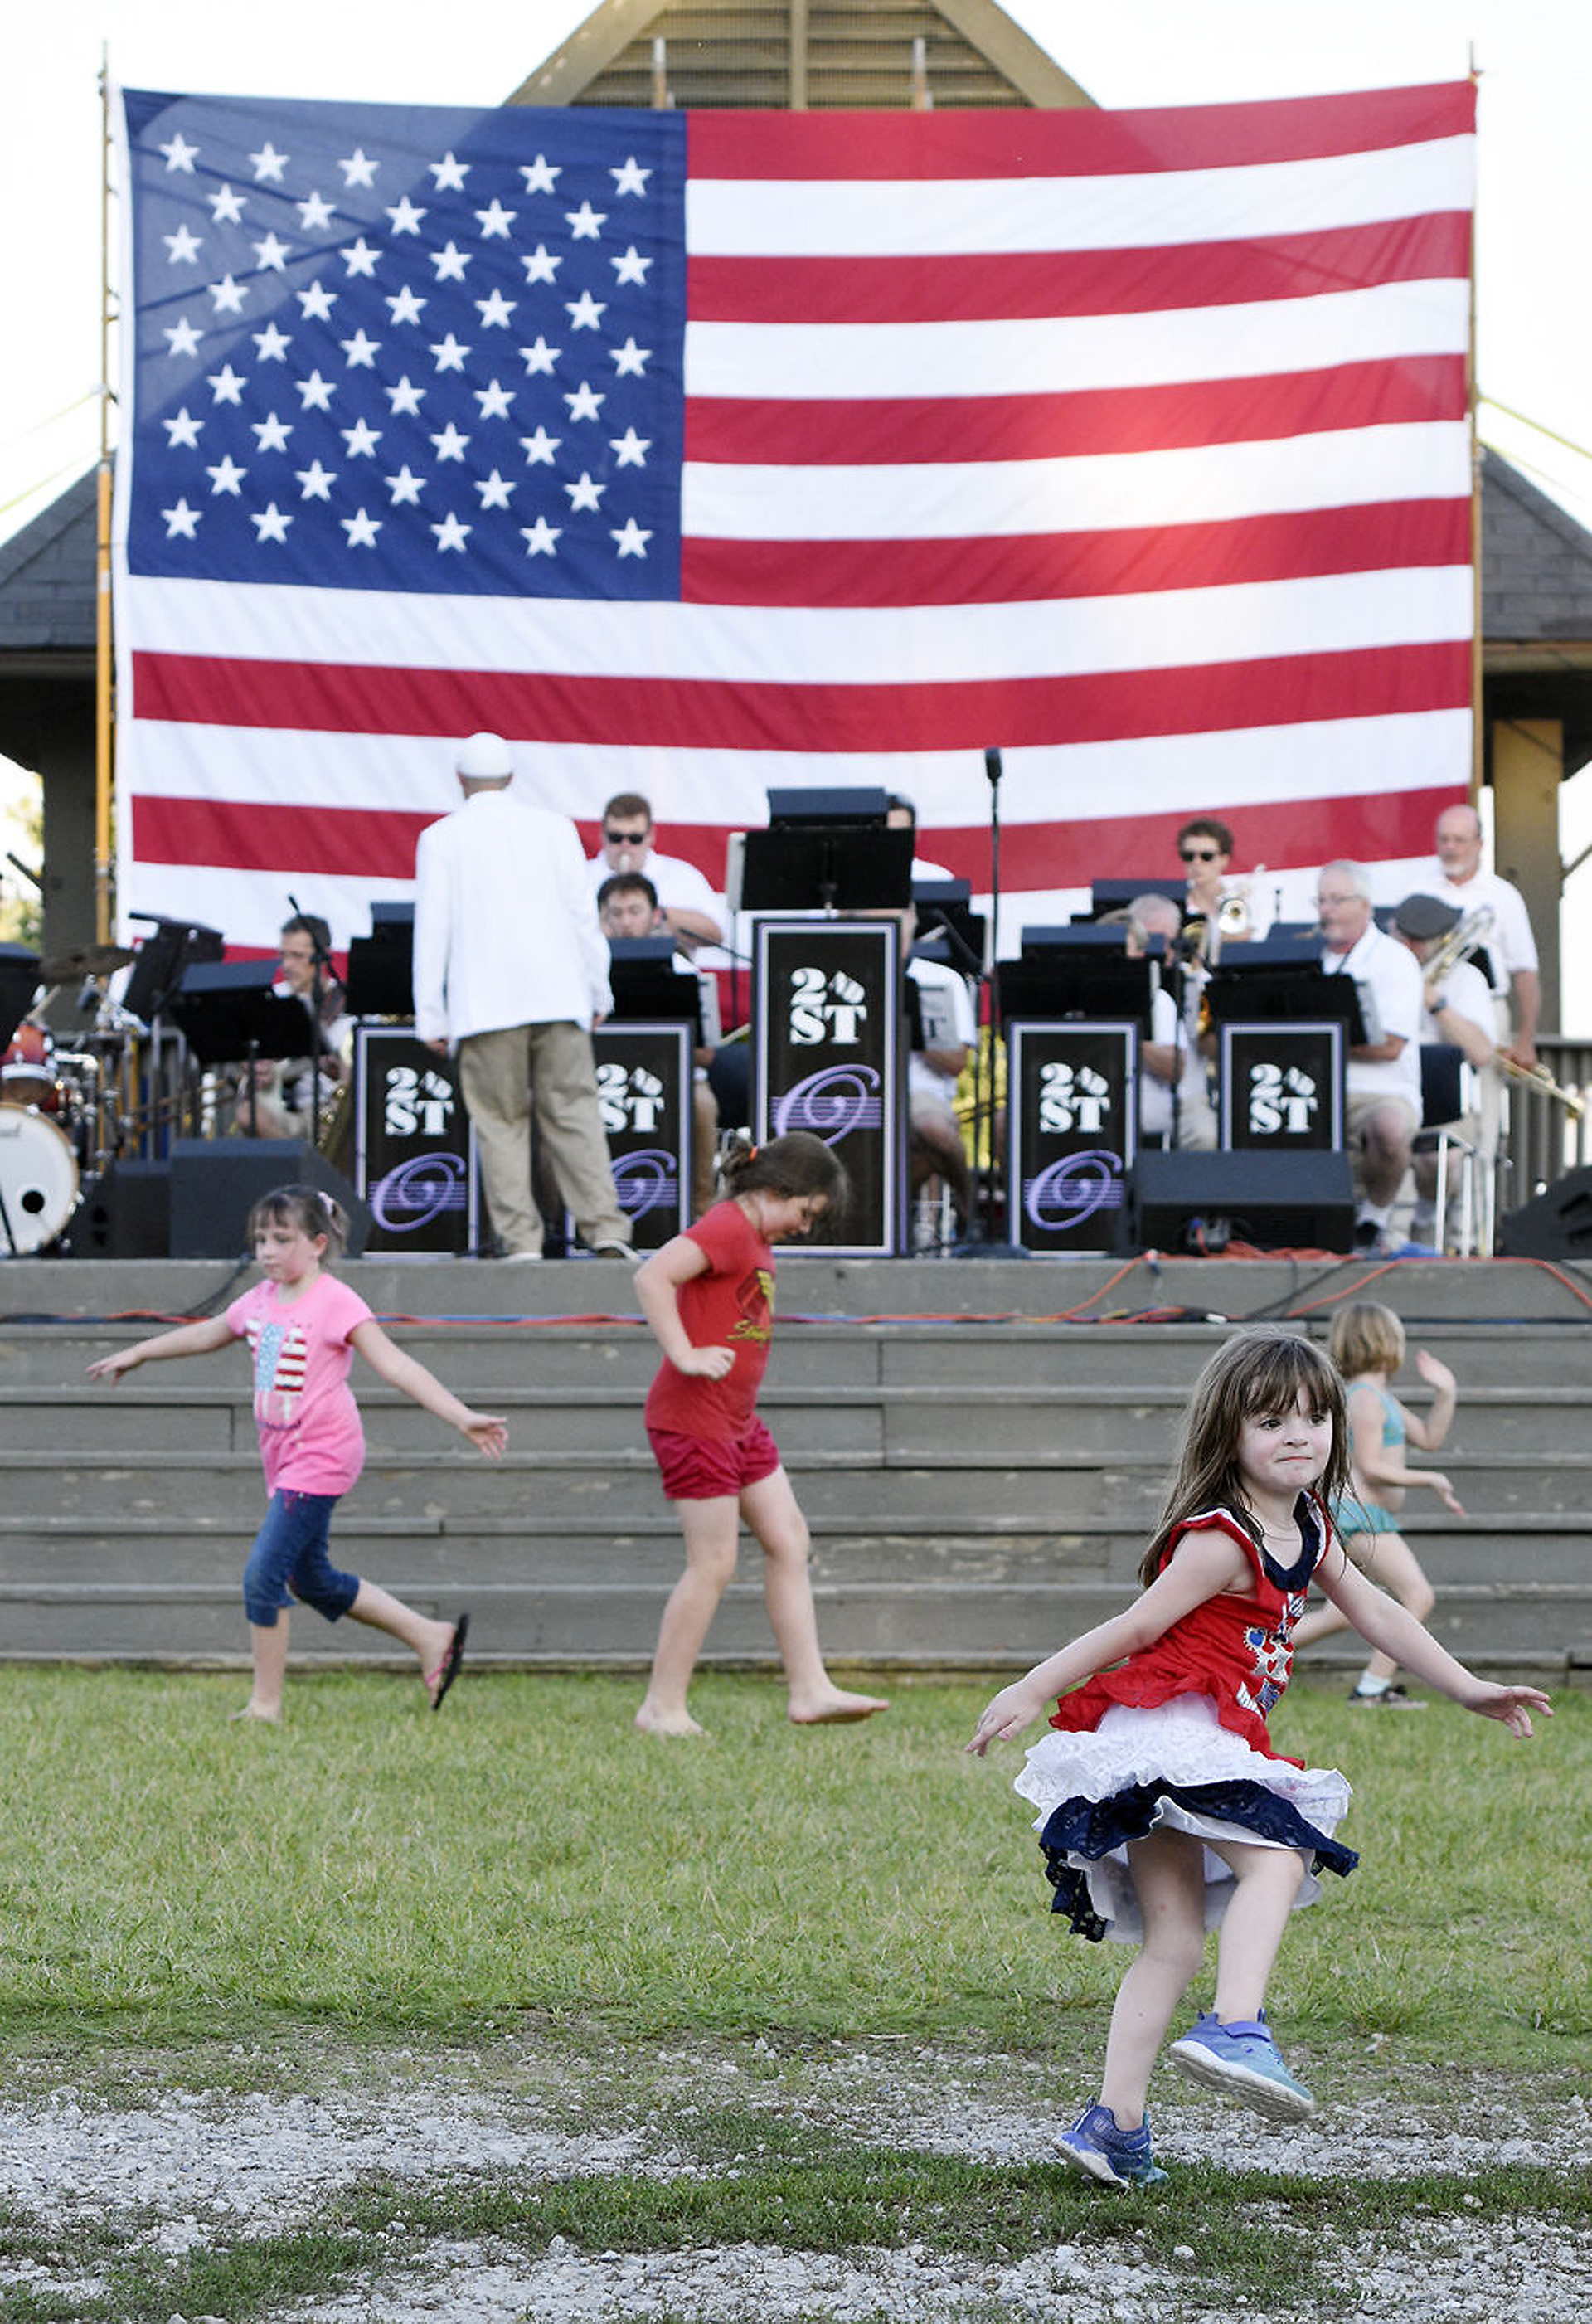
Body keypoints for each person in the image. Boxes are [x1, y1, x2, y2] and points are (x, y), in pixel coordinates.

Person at [966, 1326, 1547, 2190]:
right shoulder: (1220, 1538)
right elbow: (1135, 1629)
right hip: (1172, 1732)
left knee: (1171, 1940)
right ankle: (1237, 2026)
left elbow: (1379, 1613)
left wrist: (1465, 1686)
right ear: (1228, 1435)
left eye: (1314, 1417)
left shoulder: (1309, 1524)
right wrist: (1027, 1688)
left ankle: (1113, 2126)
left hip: (1202, 1740)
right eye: (1272, 1421)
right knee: (1279, 1856)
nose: (1299, 1436)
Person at [85, 1184, 507, 1723]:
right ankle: (431, 1637)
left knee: (262, 1576)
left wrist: (460, 1415)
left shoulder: (335, 1301)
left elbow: (397, 1366)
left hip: (324, 1455)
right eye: (260, 1239)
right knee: (309, 1578)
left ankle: (265, 1704)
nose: (266, 1251)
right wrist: (140, 1352)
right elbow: (211, 1333)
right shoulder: (259, 1301)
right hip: (283, 1456)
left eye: (281, 1239)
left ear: (317, 1243)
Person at [633, 1132, 890, 1737]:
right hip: (694, 1420)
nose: (803, 1229)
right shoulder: (726, 1225)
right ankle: (661, 1706)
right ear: (775, 1192)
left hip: (737, 1421)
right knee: (714, 1562)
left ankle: (809, 1688)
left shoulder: (751, 1235)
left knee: (788, 1538)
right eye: (804, 1214)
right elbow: (652, 1276)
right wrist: (684, 1352)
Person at [413, 731, 633, 1262]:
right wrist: (596, 989)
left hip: (485, 1007)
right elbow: (584, 917)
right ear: (511, 779)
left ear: (461, 781)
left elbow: (433, 929)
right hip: (558, 998)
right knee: (575, 1113)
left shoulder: (442, 838)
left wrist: (430, 1013)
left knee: (501, 1123)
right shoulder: (554, 829)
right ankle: (604, 1228)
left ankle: (522, 1243)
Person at [1290, 1303, 1463, 1708]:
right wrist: (1430, 1479)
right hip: (1359, 1518)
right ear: (1386, 1343)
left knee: (1340, 1613)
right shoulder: (1365, 1398)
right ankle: (1372, 1688)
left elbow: (1429, 1438)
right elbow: (1370, 1468)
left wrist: (1446, 1393)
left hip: (1360, 1518)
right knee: (1417, 1595)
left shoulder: (1381, 1396)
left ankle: (1250, 1649)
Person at [598, 868, 721, 1216]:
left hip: (676, 1083)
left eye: (634, 912)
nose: (626, 923)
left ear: (655, 916)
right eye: (616, 914)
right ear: (602, 919)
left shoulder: (684, 970)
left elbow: (707, 1055)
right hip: (601, 1084)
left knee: (702, 1105)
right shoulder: (585, 972)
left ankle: (701, 1213)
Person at [1316, 860, 1425, 1253]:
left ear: (1365, 905)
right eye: (1322, 900)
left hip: (1380, 1091)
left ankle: (1373, 1220)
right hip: (1312, 1091)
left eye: (1337, 900)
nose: (1327, 909)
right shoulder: (1308, 956)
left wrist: (1320, 1040)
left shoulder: (1394, 959)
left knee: (1390, 1128)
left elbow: (1391, 1046)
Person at [1391, 893, 1496, 1247]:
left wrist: (1434, 1002)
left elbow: (1481, 1051)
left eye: (1419, 941)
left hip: (1442, 1104)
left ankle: (1432, 1230)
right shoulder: (1383, 971)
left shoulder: (1467, 979)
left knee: (1446, 1157)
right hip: (1390, 1092)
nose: (1411, 947)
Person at [1429, 803, 1541, 1070]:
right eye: (1444, 839)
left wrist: (1526, 1039)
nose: (1450, 847)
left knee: (1486, 1102)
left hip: (1489, 1009)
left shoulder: (1504, 896)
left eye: (1459, 840)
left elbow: (1525, 971)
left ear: (1479, 844)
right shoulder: (1418, 891)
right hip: (1429, 1010)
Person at [231, 912, 352, 1145]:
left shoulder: (348, 1004)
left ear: (323, 957)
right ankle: (300, 1167)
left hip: (330, 1109)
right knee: (248, 1115)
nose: (287, 965)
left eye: (297, 956)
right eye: (283, 956)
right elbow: (249, 1063)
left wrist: (340, 1072)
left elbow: (363, 1078)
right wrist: (254, 1070)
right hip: (277, 1107)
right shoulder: (270, 999)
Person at [1126, 892, 1217, 1150]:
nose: (1164, 951)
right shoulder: (1121, 983)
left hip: (1188, 1102)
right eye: (1154, 940)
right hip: (1131, 1099)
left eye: (1170, 941)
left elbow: (1210, 1046)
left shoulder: (1192, 984)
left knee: (1207, 1136)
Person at [585, 791, 724, 955]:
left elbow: (715, 934)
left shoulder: (681, 875)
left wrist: (656, 915)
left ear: (650, 836)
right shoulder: (581, 875)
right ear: (602, 836)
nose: (625, 846)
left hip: (666, 976)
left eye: (635, 838)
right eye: (616, 837)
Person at [1175, 816, 1270, 947]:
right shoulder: (1173, 906)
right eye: (1189, 856)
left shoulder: (1248, 899)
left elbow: (1259, 939)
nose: (1196, 863)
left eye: (1206, 856)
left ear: (1224, 860)